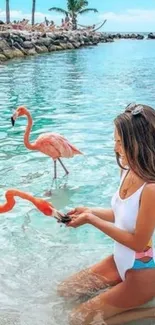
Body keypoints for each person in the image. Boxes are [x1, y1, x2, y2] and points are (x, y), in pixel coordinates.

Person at [58, 103, 155, 325]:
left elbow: (139, 243)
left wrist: (92, 220)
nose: (116, 147)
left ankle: (150, 312)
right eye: (115, 140)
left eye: (121, 142)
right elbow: (121, 214)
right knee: (65, 291)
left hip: (142, 273)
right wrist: (89, 210)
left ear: (138, 143)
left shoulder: (151, 189)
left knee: (78, 319)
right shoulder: (127, 169)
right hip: (119, 261)